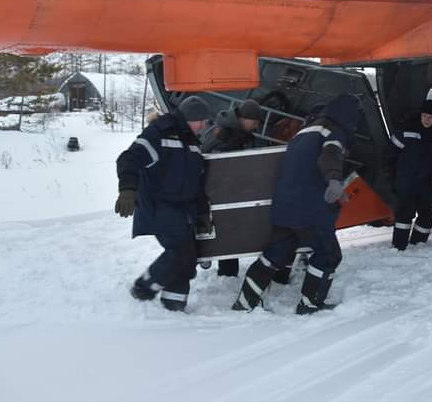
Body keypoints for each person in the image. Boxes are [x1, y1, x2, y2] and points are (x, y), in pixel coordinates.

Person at [232, 94, 361, 314]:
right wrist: (334, 180)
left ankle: (244, 302)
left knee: (274, 254)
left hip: (285, 207)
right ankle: (310, 304)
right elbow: (330, 155)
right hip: (310, 209)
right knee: (329, 254)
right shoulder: (332, 131)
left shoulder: (304, 132)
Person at [115, 95, 211, 311]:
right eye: (201, 121)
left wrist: (202, 213)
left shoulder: (193, 145)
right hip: (159, 205)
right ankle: (144, 288)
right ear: (190, 118)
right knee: (179, 251)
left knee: (188, 256)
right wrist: (128, 190)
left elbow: (196, 185)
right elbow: (129, 159)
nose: (204, 126)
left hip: (182, 208)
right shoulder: (160, 133)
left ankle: (173, 305)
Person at [200, 98, 265, 276]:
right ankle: (223, 269)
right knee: (225, 228)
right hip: (219, 191)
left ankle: (227, 270)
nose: (256, 126)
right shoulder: (223, 134)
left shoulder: (234, 131)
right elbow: (218, 163)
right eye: (255, 122)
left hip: (228, 190)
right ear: (244, 118)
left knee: (228, 228)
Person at [386, 99, 432, 250]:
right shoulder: (406, 132)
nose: (427, 120)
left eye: (431, 117)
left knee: (428, 216)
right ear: (420, 115)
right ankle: (399, 247)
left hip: (425, 183)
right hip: (405, 181)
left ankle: (418, 244)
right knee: (404, 215)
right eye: (425, 116)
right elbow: (390, 155)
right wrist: (392, 176)